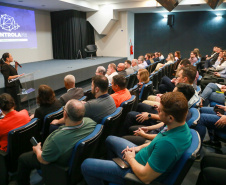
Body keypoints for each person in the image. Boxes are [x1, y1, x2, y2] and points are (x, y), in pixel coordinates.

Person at [81, 92, 192, 185]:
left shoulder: (168, 145)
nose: (157, 109)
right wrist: (136, 149)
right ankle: (110, 175)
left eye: (160, 110)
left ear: (170, 118)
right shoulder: (180, 126)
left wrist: (130, 159)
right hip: (139, 156)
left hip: (134, 172)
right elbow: (155, 143)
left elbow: (145, 177)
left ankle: (115, 175)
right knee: (110, 139)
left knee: (86, 165)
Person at [17, 99, 97, 185]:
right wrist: (59, 121)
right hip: (77, 164)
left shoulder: (56, 140)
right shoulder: (91, 122)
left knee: (23, 158)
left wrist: (37, 150)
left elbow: (44, 160)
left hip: (56, 165)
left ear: (65, 114)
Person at [122, 83, 195, 138]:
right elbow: (164, 125)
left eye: (173, 92)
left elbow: (162, 137)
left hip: (154, 136)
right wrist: (148, 128)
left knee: (130, 121)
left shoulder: (177, 115)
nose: (171, 93)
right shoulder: (182, 110)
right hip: (157, 132)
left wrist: (145, 135)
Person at [51, 75, 116, 125]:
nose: (91, 87)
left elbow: (71, 118)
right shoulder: (111, 99)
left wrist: (58, 121)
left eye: (92, 85)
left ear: (97, 89)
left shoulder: (91, 105)